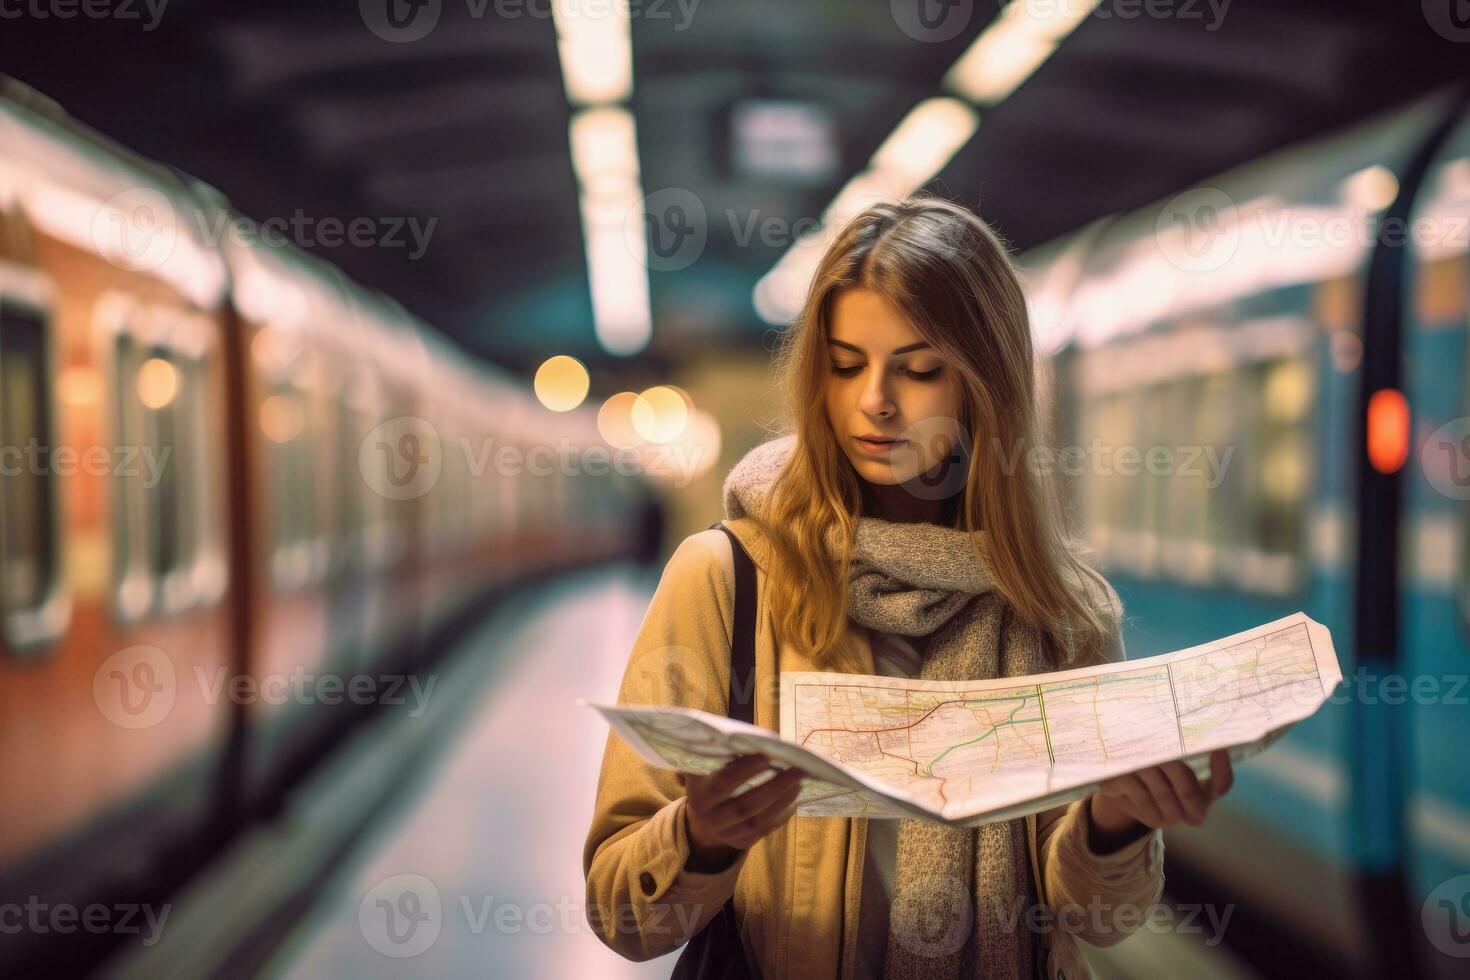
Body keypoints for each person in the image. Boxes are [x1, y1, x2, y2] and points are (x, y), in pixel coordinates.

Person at [582, 196, 1235, 979]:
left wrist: (1115, 822)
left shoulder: (1062, 609)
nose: (874, 401)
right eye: (845, 364)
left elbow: (1095, 920)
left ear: (983, 385)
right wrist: (702, 837)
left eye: (920, 370)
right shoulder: (726, 579)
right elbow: (620, 913)